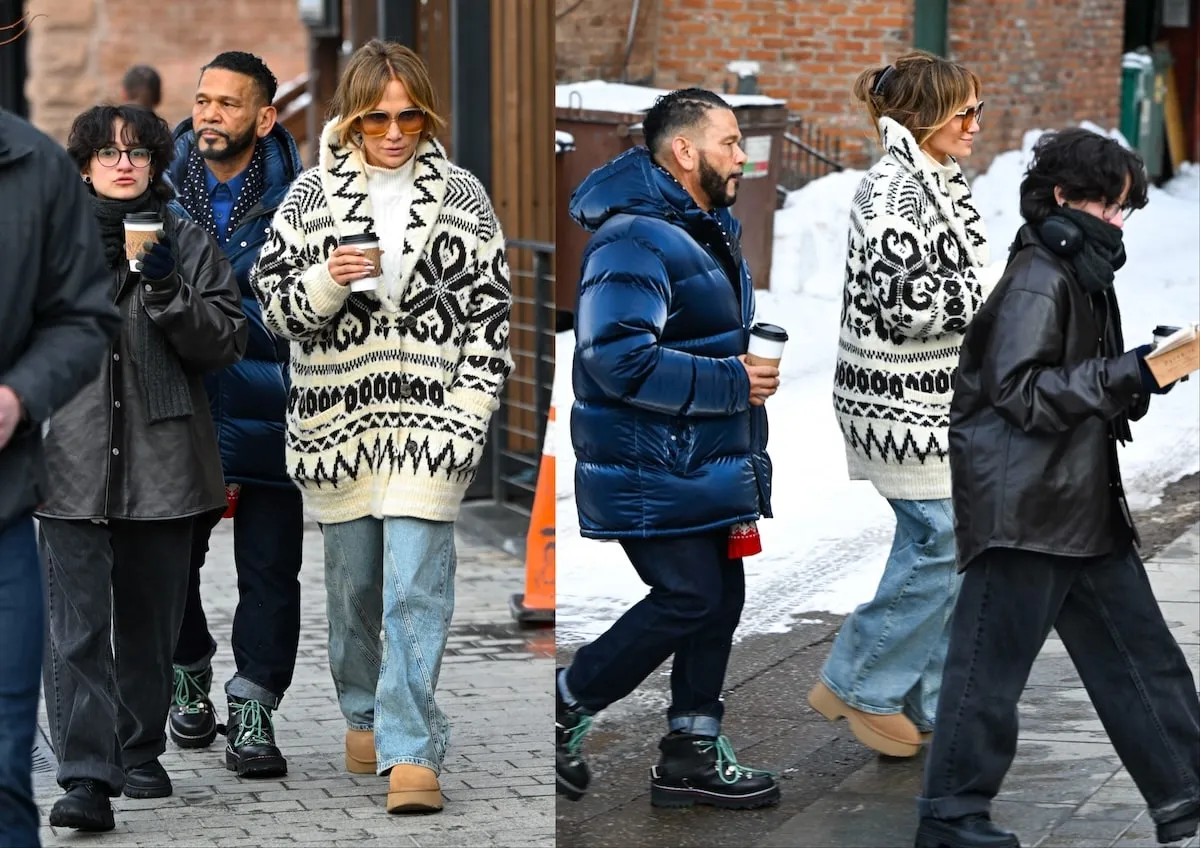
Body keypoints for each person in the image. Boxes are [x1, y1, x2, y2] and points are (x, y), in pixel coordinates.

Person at [914, 129, 1200, 848]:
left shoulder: (1080, 269)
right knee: (987, 674)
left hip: (1076, 504)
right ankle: (950, 819)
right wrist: (1129, 374)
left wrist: (1151, 368)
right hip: (1025, 507)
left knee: (1145, 659)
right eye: (1108, 205)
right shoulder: (1042, 272)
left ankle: (1187, 793)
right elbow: (1019, 392)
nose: (1117, 221)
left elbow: (1084, 385)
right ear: (1065, 197)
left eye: (1125, 209)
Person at [250, 39, 512, 814]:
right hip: (341, 427)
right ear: (351, 117)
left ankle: (410, 751)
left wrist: (466, 417)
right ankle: (363, 710)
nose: (394, 132)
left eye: (409, 116)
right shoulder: (310, 200)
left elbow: (491, 320)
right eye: (377, 118)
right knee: (357, 588)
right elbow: (275, 312)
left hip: (431, 429)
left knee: (414, 588)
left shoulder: (463, 197)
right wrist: (329, 279)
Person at [555, 88, 781, 810]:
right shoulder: (635, 237)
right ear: (685, 151)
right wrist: (730, 381)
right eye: (730, 142)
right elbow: (614, 357)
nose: (743, 155)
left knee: (721, 595)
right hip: (651, 461)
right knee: (689, 594)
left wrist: (735, 372)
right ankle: (566, 700)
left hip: (696, 458)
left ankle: (689, 755)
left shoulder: (697, 224)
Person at [37, 103, 246, 832]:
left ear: (156, 164)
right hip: (67, 464)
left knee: (151, 627)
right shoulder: (50, 244)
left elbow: (224, 342)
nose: (122, 162)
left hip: (165, 467)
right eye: (108, 151)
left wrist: (165, 289)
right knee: (76, 631)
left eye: (137, 152)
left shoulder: (187, 241)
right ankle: (85, 778)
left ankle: (138, 748)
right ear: (85, 164)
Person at [806, 51, 990, 759]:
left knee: (952, 543)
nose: (975, 124)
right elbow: (910, 302)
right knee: (939, 538)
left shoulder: (937, 178)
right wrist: (998, 291)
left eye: (978, 109)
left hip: (935, 400)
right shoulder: (891, 191)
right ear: (925, 117)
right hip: (896, 404)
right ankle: (859, 682)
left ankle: (926, 698)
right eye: (963, 112)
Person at [166, 50, 305, 779]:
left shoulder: (306, 198)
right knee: (169, 565)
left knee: (271, 573)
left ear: (264, 116)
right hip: (179, 410)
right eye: (203, 100)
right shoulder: (159, 189)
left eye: (227, 102)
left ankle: (254, 705)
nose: (210, 113)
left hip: (273, 407)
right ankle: (188, 667)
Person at [0, 107, 121, 848]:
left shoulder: (34, 165)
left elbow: (82, 315)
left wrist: (19, 395)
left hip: (4, 516)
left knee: (5, 766)